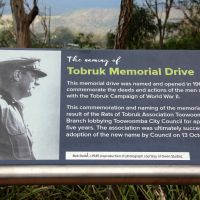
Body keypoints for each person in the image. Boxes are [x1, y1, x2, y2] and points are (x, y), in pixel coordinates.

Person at [0, 58, 47, 160]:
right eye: (34, 76)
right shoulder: (2, 107)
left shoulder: (16, 108)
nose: (37, 82)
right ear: (18, 75)